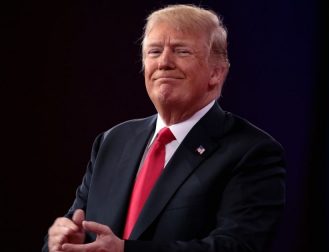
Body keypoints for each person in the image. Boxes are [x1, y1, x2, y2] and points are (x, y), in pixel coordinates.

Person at [42, 4, 286, 252]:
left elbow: (236, 247)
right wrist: (58, 242)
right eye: (154, 51)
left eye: (181, 51)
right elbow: (76, 227)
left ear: (216, 72)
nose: (164, 63)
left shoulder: (251, 152)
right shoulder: (112, 141)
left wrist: (126, 251)